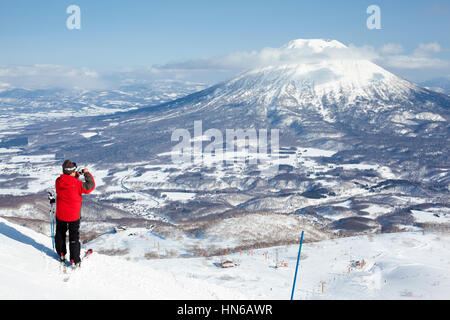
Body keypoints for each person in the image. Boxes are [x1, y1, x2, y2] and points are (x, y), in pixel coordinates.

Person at [55, 160, 95, 267]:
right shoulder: (78, 185)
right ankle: (75, 259)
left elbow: (69, 181)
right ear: (73, 171)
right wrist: (86, 173)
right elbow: (90, 186)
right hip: (73, 216)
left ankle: (61, 254)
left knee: (60, 233)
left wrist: (75, 174)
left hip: (61, 214)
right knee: (74, 237)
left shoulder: (58, 181)